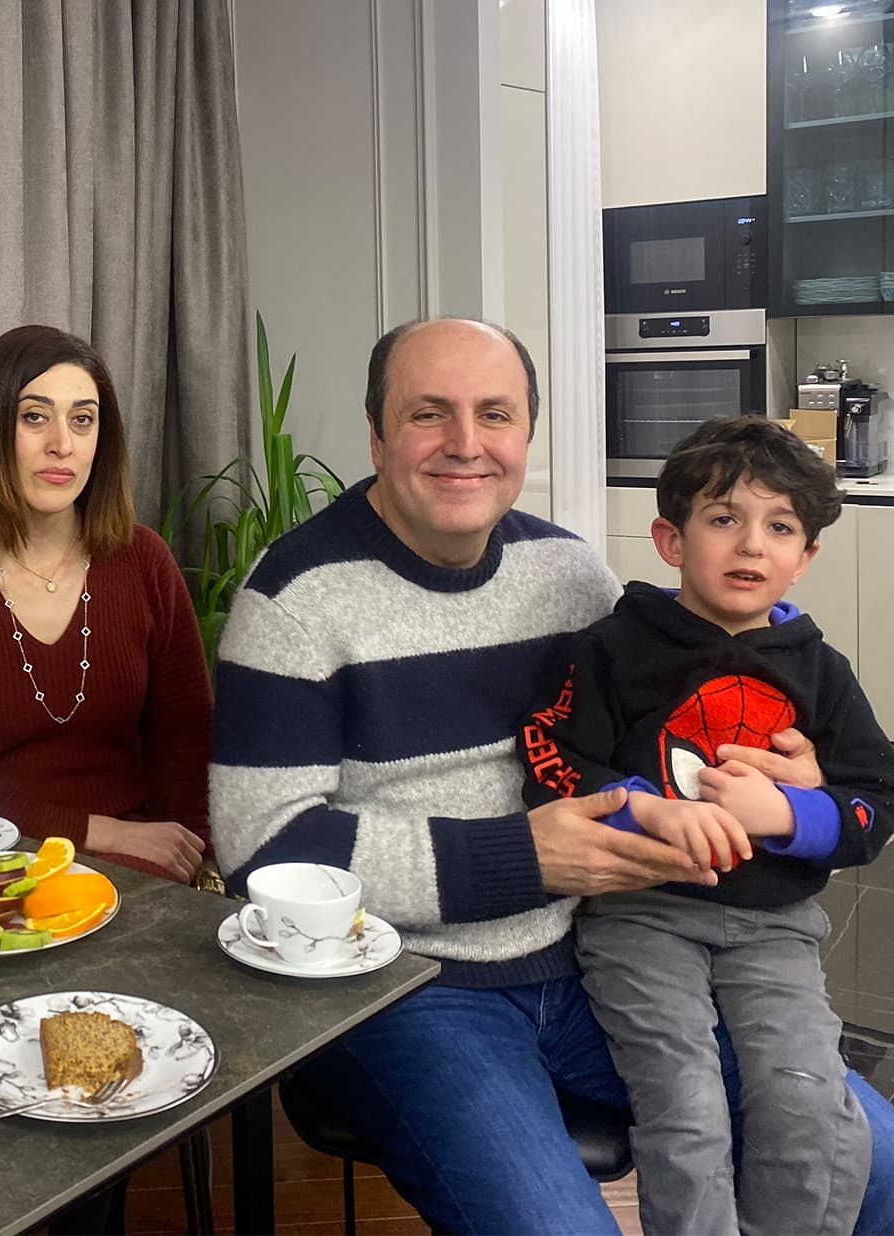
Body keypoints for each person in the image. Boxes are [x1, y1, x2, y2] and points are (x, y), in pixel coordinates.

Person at [209, 316, 894, 1234]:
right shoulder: (294, 600)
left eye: (494, 413)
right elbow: (265, 855)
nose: (464, 443)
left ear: (525, 435)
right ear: (375, 435)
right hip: (409, 988)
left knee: (868, 1159)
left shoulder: (568, 572)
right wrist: (519, 859)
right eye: (428, 414)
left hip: (607, 957)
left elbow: (677, 685)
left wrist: (793, 757)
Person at [521, 416, 893, 1234]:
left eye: (780, 526)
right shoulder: (612, 647)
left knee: (804, 1105)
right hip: (640, 917)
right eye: (723, 519)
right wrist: (639, 803)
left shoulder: (819, 670)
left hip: (773, 930)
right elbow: (550, 752)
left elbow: (874, 797)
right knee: (684, 1110)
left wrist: (791, 811)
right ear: (669, 538)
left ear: (806, 554)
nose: (750, 546)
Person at [0, 324, 211, 884]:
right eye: (34, 416)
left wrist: (193, 871)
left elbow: (186, 750)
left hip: (145, 864)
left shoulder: (144, 560)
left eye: (82, 420)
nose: (62, 443)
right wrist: (100, 832)